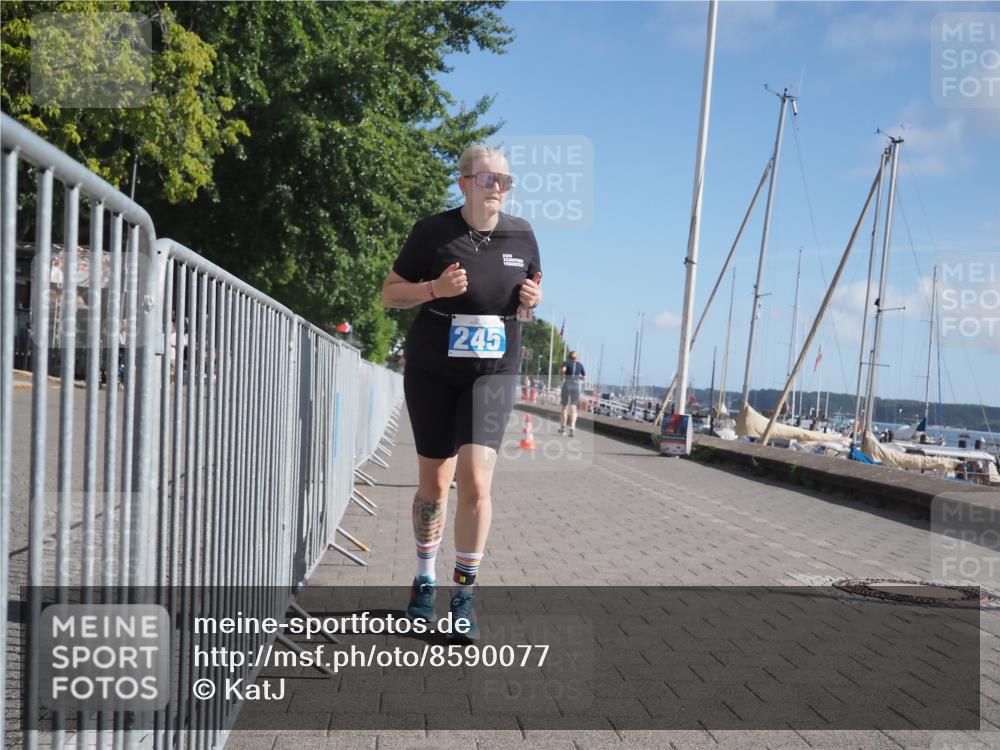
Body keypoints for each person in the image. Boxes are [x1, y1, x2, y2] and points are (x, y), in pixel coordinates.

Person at [381, 144, 542, 642]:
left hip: (492, 370)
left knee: (476, 481)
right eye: (489, 178)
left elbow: (528, 298)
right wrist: (434, 290)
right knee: (434, 484)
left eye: (505, 181)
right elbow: (390, 294)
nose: (498, 187)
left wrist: (533, 301)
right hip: (432, 370)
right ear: (464, 183)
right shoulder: (433, 232)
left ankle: (464, 595)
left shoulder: (522, 234)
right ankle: (424, 580)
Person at [558, 351, 585, 437]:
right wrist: (578, 377)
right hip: (575, 386)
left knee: (564, 407)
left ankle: (563, 428)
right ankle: (572, 427)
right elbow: (584, 377)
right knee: (573, 407)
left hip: (567, 384)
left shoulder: (566, 362)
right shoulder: (580, 365)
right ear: (576, 357)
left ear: (569, 357)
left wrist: (562, 376)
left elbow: (563, 370)